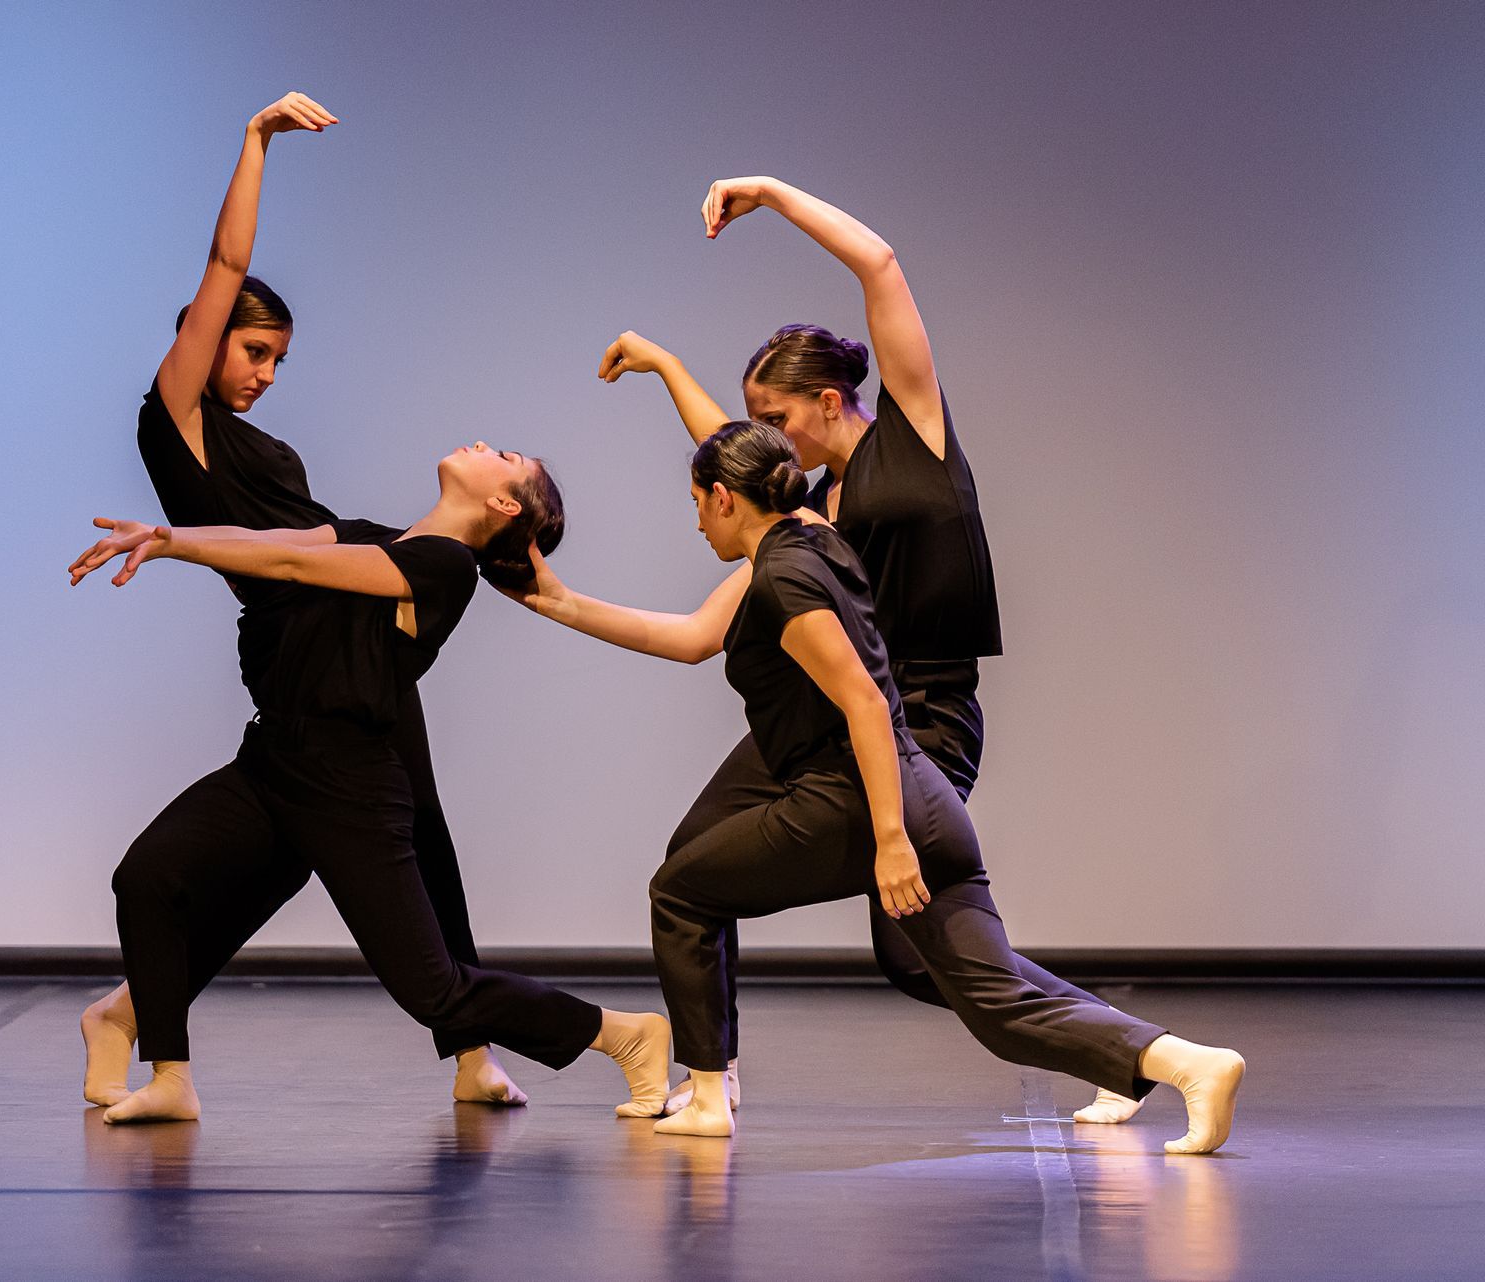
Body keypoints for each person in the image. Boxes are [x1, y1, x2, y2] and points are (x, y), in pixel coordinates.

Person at [511, 420, 1244, 1150]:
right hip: (928, 799)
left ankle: (708, 1093)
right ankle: (1191, 1064)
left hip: (855, 802)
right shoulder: (813, 540)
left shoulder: (781, 580)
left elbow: (862, 699)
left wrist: (888, 842)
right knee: (994, 999)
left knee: (680, 890)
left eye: (699, 500)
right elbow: (691, 635)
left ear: (728, 499)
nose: (696, 520)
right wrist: (559, 601)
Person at [595, 175, 1140, 1125]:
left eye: (778, 415)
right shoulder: (813, 512)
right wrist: (663, 363)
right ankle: (708, 1076)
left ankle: (1109, 1047)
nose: (766, 434)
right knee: (690, 866)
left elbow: (879, 262)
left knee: (914, 948)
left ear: (831, 399)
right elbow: (726, 455)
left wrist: (769, 192)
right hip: (835, 718)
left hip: (918, 719)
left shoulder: (912, 436)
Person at [80, 90, 525, 1109]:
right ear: (203, 339)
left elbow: (316, 539)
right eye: (253, 352)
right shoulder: (176, 420)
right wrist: (253, 143)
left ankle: (469, 1052)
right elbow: (226, 269)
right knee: (272, 869)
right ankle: (137, 1020)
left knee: (425, 828)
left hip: (342, 598)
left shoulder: (266, 445)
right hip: (296, 636)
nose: (267, 374)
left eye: (279, 359)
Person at [67, 441, 672, 1125]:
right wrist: (162, 533)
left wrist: (173, 546)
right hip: (270, 760)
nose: (483, 444)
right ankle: (170, 1076)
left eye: (504, 455)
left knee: (433, 991)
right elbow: (266, 540)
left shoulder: (446, 566)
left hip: (348, 785)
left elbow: (294, 562)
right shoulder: (370, 535)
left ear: (504, 503)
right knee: (147, 877)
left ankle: (622, 1034)